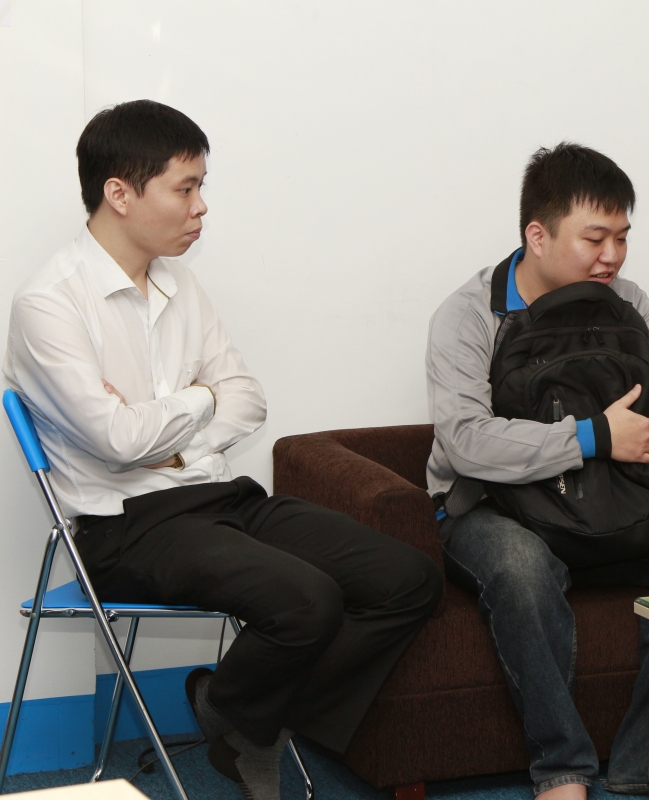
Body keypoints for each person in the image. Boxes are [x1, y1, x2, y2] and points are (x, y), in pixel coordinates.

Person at [3, 100, 443, 800]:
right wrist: (198, 401)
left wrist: (174, 428)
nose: (201, 206)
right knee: (307, 601)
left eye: (201, 186)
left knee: (408, 578)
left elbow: (247, 399)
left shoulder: (180, 283)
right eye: (185, 188)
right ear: (120, 193)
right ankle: (250, 721)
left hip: (219, 497)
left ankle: (241, 714)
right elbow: (117, 442)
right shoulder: (48, 305)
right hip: (127, 526)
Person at [425, 143, 649, 800]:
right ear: (537, 236)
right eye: (594, 239)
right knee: (520, 567)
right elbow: (465, 443)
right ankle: (561, 769)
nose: (612, 256)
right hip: (493, 507)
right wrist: (594, 437)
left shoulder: (629, 304)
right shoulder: (468, 314)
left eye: (622, 238)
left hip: (608, 502)